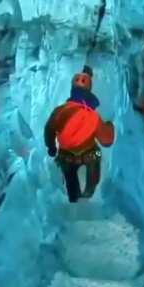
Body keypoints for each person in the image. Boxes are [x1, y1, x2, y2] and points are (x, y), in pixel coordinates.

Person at [44, 66, 115, 202]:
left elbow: (49, 129)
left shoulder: (60, 111)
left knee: (70, 176)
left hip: (66, 156)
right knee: (96, 157)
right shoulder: (93, 116)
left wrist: (51, 147)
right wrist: (110, 125)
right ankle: (89, 192)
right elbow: (107, 140)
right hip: (90, 155)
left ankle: (73, 197)